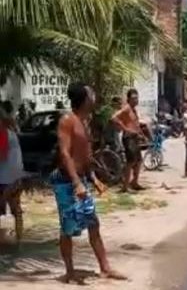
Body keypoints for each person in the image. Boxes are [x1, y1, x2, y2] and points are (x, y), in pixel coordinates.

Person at [50, 83, 126, 284]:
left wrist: (93, 179)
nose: (94, 95)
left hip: (82, 179)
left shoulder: (84, 121)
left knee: (93, 223)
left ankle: (105, 268)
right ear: (84, 98)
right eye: (91, 93)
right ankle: (69, 272)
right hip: (67, 181)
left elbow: (85, 155)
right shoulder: (68, 120)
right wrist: (76, 183)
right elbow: (65, 153)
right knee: (67, 228)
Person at [111, 89, 147, 193]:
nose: (136, 100)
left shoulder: (134, 110)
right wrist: (125, 128)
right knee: (130, 162)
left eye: (137, 98)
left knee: (139, 161)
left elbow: (136, 124)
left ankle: (134, 182)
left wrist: (142, 135)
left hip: (135, 137)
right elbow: (114, 117)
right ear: (129, 99)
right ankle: (125, 187)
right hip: (128, 138)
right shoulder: (126, 109)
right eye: (134, 98)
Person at [0, 107, 25, 240]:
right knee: (17, 211)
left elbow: (2, 156)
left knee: (15, 210)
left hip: (6, 180)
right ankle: (19, 244)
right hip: (14, 178)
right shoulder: (10, 133)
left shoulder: (3, 134)